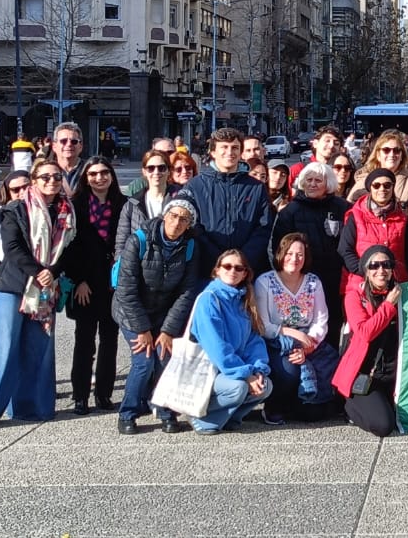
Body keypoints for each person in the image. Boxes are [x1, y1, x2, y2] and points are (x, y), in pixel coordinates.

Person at [0, 159, 77, 427]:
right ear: (35, 180)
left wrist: (52, 271)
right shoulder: (14, 209)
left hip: (46, 288)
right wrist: (39, 271)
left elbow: (71, 248)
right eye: (45, 177)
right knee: (4, 349)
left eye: (56, 177)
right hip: (14, 285)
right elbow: (13, 247)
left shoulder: (66, 210)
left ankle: (34, 408)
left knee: (39, 349)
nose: (52, 181)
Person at [112, 195, 202, 434]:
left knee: (164, 357)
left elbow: (186, 292)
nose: (177, 223)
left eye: (184, 219)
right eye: (173, 216)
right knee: (143, 361)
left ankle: (164, 410)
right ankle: (128, 413)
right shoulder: (139, 240)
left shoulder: (190, 247)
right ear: (164, 215)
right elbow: (126, 289)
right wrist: (142, 329)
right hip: (131, 310)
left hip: (162, 312)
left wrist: (168, 330)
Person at [185, 249, 273, 433]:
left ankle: (230, 418)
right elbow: (217, 348)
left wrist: (257, 370)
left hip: (230, 371)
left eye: (239, 268)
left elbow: (253, 341)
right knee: (238, 387)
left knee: (265, 385)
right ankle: (201, 418)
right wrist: (245, 374)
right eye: (227, 266)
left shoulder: (243, 301)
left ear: (245, 273)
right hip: (208, 372)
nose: (232, 271)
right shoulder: (209, 299)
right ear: (217, 270)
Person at [255, 232, 339, 423]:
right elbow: (263, 325)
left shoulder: (313, 282)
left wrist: (307, 346)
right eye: (289, 253)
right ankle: (274, 404)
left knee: (314, 414)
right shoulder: (265, 282)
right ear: (280, 254)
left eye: (300, 254)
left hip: (309, 342)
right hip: (276, 342)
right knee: (290, 370)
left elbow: (320, 320)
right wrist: (291, 333)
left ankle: (304, 401)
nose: (294, 259)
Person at [63, 155, 123, 414]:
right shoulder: (75, 206)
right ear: (86, 178)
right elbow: (68, 247)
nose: (100, 178)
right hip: (85, 283)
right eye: (93, 174)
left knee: (110, 340)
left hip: (113, 283)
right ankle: (80, 395)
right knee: (84, 341)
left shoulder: (123, 204)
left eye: (104, 173)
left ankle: (104, 394)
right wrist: (79, 280)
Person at [272, 162, 350, 349]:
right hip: (302, 281)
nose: (313, 184)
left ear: (328, 183)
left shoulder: (343, 208)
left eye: (318, 180)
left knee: (331, 325)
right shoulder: (290, 212)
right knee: (304, 326)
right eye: (309, 180)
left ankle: (330, 362)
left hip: (335, 279)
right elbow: (277, 248)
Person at [185, 127, 274, 278]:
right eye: (224, 147)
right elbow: (194, 226)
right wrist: (220, 261)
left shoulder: (256, 187)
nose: (230, 152)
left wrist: (241, 261)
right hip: (207, 270)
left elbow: (263, 228)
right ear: (213, 152)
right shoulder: (196, 186)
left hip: (246, 269)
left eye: (235, 148)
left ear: (240, 152)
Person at [333, 244, 402, 437]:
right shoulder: (355, 296)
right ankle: (349, 407)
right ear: (366, 270)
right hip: (365, 375)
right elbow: (364, 333)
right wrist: (388, 306)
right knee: (384, 426)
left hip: (396, 375)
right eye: (374, 266)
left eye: (386, 265)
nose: (381, 270)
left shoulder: (402, 294)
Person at [338, 169, 408, 291]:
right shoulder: (356, 215)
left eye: (387, 185)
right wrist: (365, 272)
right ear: (370, 189)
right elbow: (345, 249)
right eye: (376, 185)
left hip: (395, 282)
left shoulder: (402, 217)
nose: (382, 189)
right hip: (361, 282)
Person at [349, 129, 408, 203]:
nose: (392, 154)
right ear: (378, 155)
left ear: (402, 156)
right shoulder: (363, 180)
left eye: (396, 150)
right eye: (386, 150)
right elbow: (349, 207)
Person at [50, 122, 88, 191]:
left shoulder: (89, 169)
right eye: (63, 141)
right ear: (54, 146)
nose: (69, 144)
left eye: (74, 141)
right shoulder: (45, 171)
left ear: (80, 146)